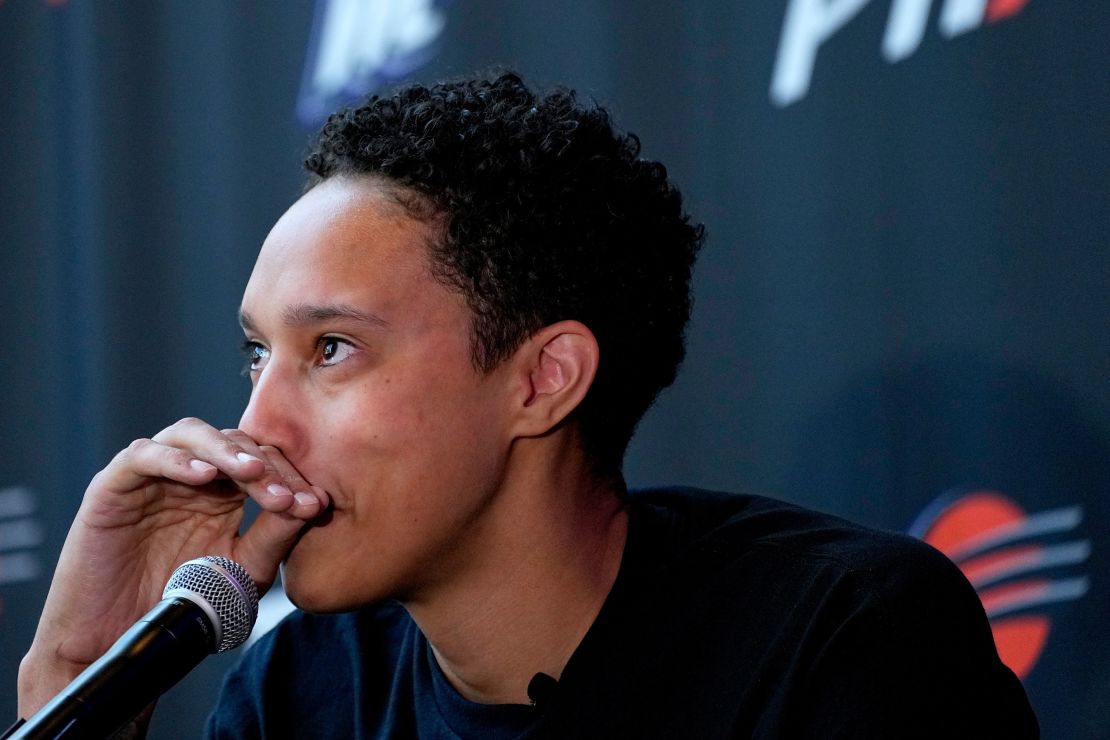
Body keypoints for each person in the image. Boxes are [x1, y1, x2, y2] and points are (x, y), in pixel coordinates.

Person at [17, 72, 1037, 738]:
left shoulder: (838, 641)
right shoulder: (298, 694)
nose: (259, 427)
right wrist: (84, 672)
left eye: (330, 349)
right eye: (255, 354)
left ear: (542, 379)